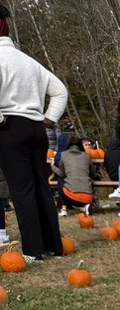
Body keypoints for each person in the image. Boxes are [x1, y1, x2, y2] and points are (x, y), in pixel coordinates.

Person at [0, 4, 67, 260]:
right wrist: (49, 118)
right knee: (41, 186)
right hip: (37, 128)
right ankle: (54, 246)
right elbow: (60, 90)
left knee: (22, 190)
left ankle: (34, 251)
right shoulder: (29, 61)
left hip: (10, 128)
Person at [51, 135, 98, 216]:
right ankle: (85, 207)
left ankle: (64, 208)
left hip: (71, 196)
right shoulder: (86, 156)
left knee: (60, 178)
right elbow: (93, 173)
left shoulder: (64, 155)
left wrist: (52, 166)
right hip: (88, 196)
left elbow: (61, 173)